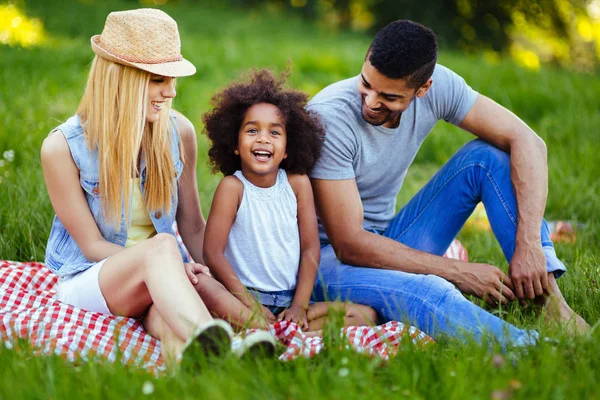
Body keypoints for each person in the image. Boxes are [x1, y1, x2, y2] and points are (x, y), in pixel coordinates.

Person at [307, 19, 590, 346]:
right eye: (365, 83)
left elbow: (528, 141)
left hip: (384, 239)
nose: (370, 101)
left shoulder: (439, 86)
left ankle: (551, 304)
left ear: (423, 88)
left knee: (488, 158)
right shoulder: (331, 118)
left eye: (388, 96)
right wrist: (456, 272)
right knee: (429, 287)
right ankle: (533, 351)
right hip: (323, 262)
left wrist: (530, 246)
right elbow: (349, 244)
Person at [40, 9, 273, 367]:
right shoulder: (62, 148)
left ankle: (208, 365)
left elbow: (193, 226)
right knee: (163, 245)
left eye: (172, 79)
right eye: (159, 79)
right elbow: (91, 246)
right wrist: (171, 265)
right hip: (91, 279)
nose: (171, 91)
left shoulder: (177, 133)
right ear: (123, 78)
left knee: (167, 321)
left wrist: (213, 275)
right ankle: (210, 331)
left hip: (158, 277)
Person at [201, 70, 377, 331]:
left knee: (367, 315)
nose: (263, 138)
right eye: (252, 130)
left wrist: (299, 306)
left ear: (286, 148)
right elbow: (212, 254)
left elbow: (310, 249)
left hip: (288, 299)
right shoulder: (233, 187)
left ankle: (274, 331)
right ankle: (270, 330)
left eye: (275, 133)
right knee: (203, 286)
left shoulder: (297, 184)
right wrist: (249, 302)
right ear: (235, 143)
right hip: (241, 297)